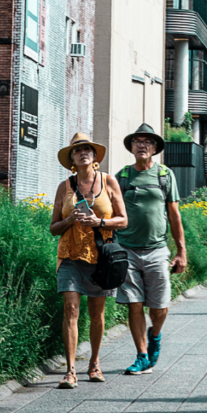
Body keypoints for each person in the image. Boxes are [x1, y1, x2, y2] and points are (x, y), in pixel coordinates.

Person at [49, 133, 128, 389]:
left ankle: (94, 363)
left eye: (88, 149)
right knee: (70, 309)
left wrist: (100, 222)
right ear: (72, 158)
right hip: (70, 254)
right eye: (77, 150)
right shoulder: (65, 187)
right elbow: (53, 228)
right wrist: (69, 220)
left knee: (97, 312)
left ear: (94, 157)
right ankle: (70, 370)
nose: (83, 153)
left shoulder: (109, 182)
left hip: (100, 256)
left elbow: (123, 220)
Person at [114, 123, 186, 375]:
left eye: (147, 142)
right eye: (137, 141)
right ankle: (142, 355)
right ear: (131, 147)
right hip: (127, 249)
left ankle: (154, 335)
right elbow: (111, 212)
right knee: (134, 303)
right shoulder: (122, 176)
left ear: (155, 148)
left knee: (159, 307)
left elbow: (174, 215)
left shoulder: (165, 175)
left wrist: (181, 252)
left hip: (157, 250)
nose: (142, 145)